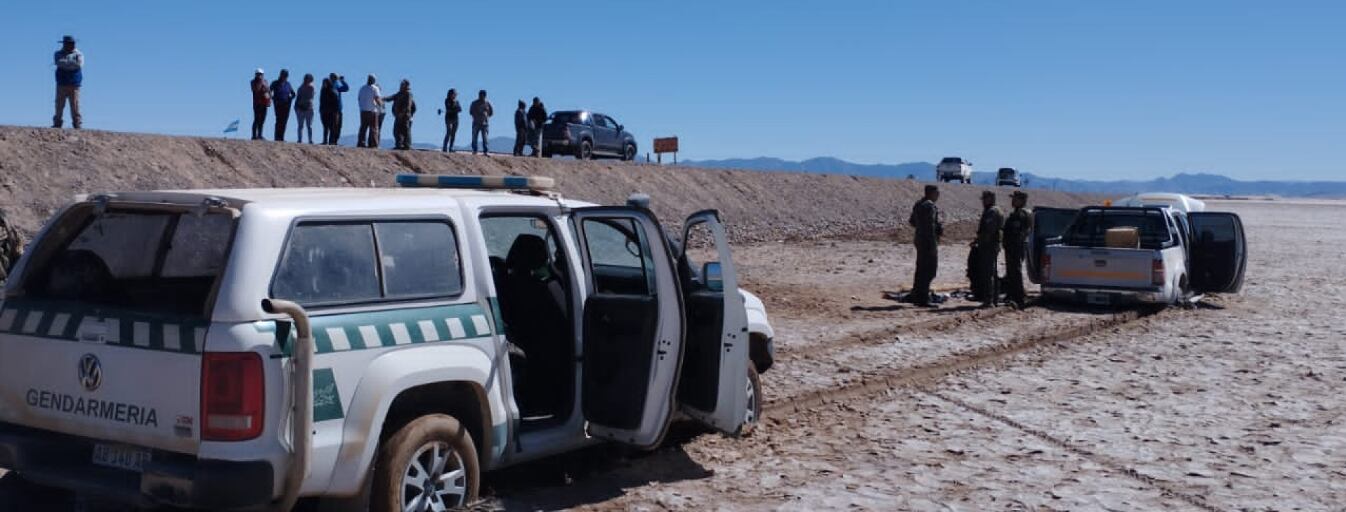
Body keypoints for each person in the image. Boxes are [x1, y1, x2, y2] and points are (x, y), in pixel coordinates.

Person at [908, 185, 942, 306]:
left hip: (920, 240)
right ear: (931, 193)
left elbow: (912, 221)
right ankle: (923, 298)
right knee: (929, 270)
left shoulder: (919, 204)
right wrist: (933, 244)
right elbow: (930, 228)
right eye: (937, 193)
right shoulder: (929, 206)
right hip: (928, 242)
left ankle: (917, 294)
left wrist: (920, 228)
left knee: (920, 268)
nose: (938, 195)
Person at [972, 190, 1005, 307]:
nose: (983, 202)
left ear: (991, 198)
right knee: (991, 272)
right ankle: (993, 298)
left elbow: (988, 231)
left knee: (988, 273)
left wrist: (980, 242)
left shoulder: (992, 212)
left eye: (985, 199)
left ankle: (989, 299)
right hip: (991, 245)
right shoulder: (994, 210)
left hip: (989, 246)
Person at [1001, 190, 1033, 307]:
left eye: (1015, 199)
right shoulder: (1018, 213)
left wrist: (1011, 243)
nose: (1012, 201)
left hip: (1016, 246)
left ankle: (1018, 297)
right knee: (1011, 271)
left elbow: (1017, 232)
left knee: (1015, 271)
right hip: (1013, 246)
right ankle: (1012, 294)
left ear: (1021, 200)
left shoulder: (1021, 214)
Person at [52, 35, 84, 129]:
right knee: (59, 104)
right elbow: (59, 63)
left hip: (74, 83)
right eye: (70, 43)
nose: (72, 45)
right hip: (61, 82)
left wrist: (66, 63)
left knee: (75, 105)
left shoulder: (79, 54)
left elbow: (79, 65)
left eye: (73, 43)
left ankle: (77, 123)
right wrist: (71, 63)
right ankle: (57, 123)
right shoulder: (58, 53)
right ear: (64, 44)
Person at [383, 80, 417, 150]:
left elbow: (408, 105)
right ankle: (399, 144)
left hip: (404, 116)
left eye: (402, 84)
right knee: (396, 131)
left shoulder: (408, 94)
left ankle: (407, 145)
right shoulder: (399, 94)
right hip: (398, 116)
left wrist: (404, 113)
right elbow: (391, 97)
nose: (400, 86)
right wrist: (383, 98)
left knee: (405, 131)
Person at [320, 73, 349, 145]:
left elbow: (346, 88)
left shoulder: (335, 86)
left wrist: (341, 81)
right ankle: (331, 141)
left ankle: (333, 141)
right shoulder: (332, 87)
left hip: (336, 109)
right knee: (332, 126)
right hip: (333, 110)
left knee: (336, 127)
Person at [357, 75, 383, 148]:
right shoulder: (375, 88)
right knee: (374, 128)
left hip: (363, 110)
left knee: (363, 127)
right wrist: (381, 105)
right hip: (372, 110)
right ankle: (373, 144)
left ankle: (361, 142)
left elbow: (359, 98)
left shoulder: (362, 88)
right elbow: (377, 98)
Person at [269, 69, 295, 142]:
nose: (284, 77)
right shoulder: (275, 83)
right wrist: (272, 98)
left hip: (286, 105)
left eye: (286, 75)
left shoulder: (288, 84)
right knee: (279, 120)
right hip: (278, 104)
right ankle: (277, 137)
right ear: (280, 75)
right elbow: (269, 91)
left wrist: (290, 98)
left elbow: (293, 93)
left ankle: (281, 137)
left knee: (284, 121)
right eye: (283, 75)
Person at [469, 90, 493, 155]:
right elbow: (471, 112)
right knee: (474, 137)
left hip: (485, 124)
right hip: (476, 123)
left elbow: (491, 113)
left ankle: (486, 151)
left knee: (485, 138)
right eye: (480, 95)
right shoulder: (474, 103)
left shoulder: (487, 103)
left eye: (483, 95)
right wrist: (477, 114)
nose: (481, 96)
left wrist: (486, 115)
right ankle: (475, 150)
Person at [294, 74, 316, 144]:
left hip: (308, 108)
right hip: (302, 108)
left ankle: (309, 139)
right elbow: (298, 98)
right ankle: (300, 139)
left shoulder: (310, 87)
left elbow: (311, 97)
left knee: (308, 125)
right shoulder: (301, 88)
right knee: (301, 125)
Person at [250, 69, 270, 140]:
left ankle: (260, 135)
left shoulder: (265, 82)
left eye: (261, 74)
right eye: (258, 74)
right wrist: (262, 85)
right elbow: (256, 90)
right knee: (256, 119)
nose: (259, 75)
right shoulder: (253, 82)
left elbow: (268, 91)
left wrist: (268, 100)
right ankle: (254, 135)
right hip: (257, 104)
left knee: (262, 120)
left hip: (264, 103)